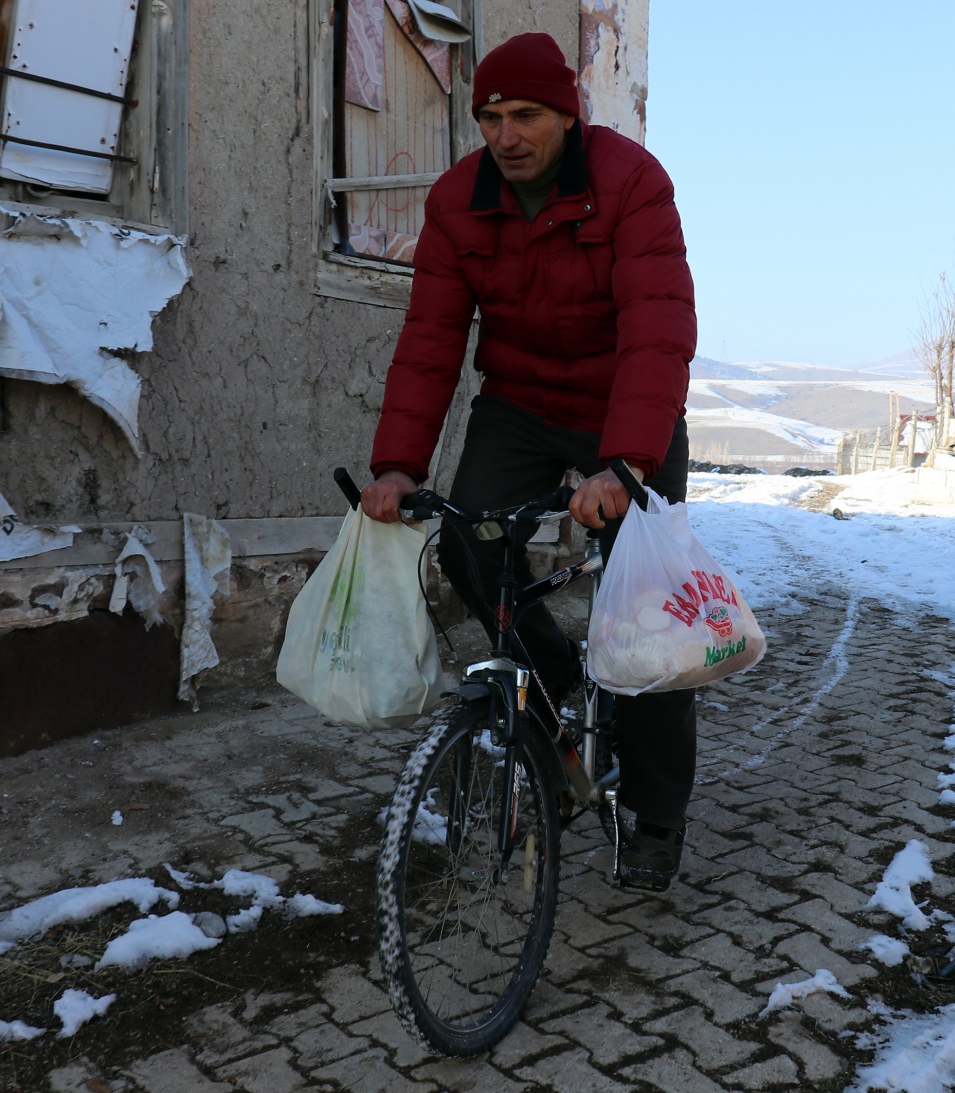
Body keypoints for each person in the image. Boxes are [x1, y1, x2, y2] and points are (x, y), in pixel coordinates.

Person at [360, 32, 697, 891]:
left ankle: (655, 813)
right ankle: (547, 678)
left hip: (626, 412)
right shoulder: (455, 203)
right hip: (517, 408)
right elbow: (432, 339)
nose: (507, 136)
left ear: (568, 114)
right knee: (470, 544)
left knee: (646, 622)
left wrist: (625, 467)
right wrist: (398, 466)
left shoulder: (632, 184)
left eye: (528, 116)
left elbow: (658, 329)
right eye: (490, 118)